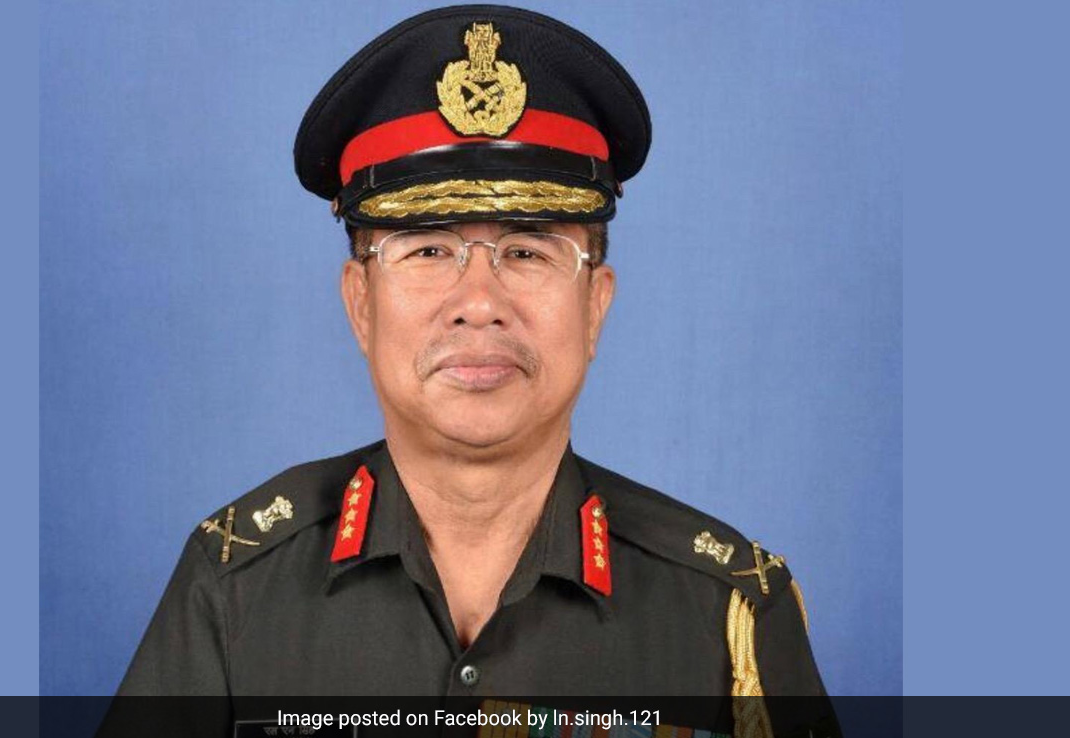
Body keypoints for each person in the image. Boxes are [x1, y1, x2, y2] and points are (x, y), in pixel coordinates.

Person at [110, 5, 836, 737]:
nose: (480, 304)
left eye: (528, 251)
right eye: (428, 250)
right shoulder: (234, 587)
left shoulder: (722, 612)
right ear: (361, 304)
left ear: (595, 306)